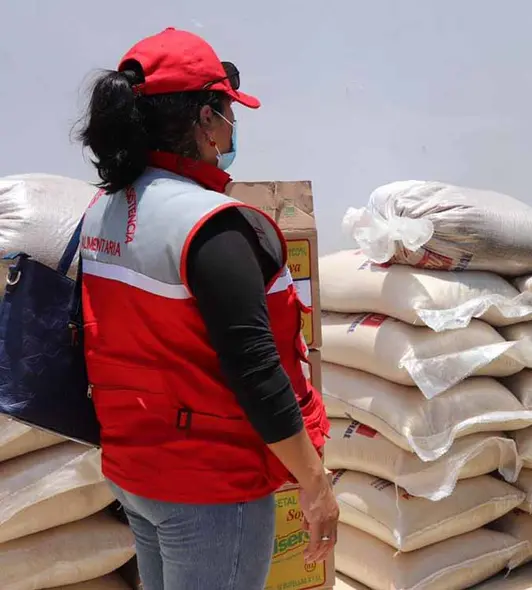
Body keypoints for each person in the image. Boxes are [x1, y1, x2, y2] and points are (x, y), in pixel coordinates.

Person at [74, 28, 337, 589]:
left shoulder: (103, 212)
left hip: (136, 473)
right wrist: (314, 484)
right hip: (211, 490)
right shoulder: (211, 226)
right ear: (204, 120)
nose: (231, 126)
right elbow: (256, 370)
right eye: (227, 111)